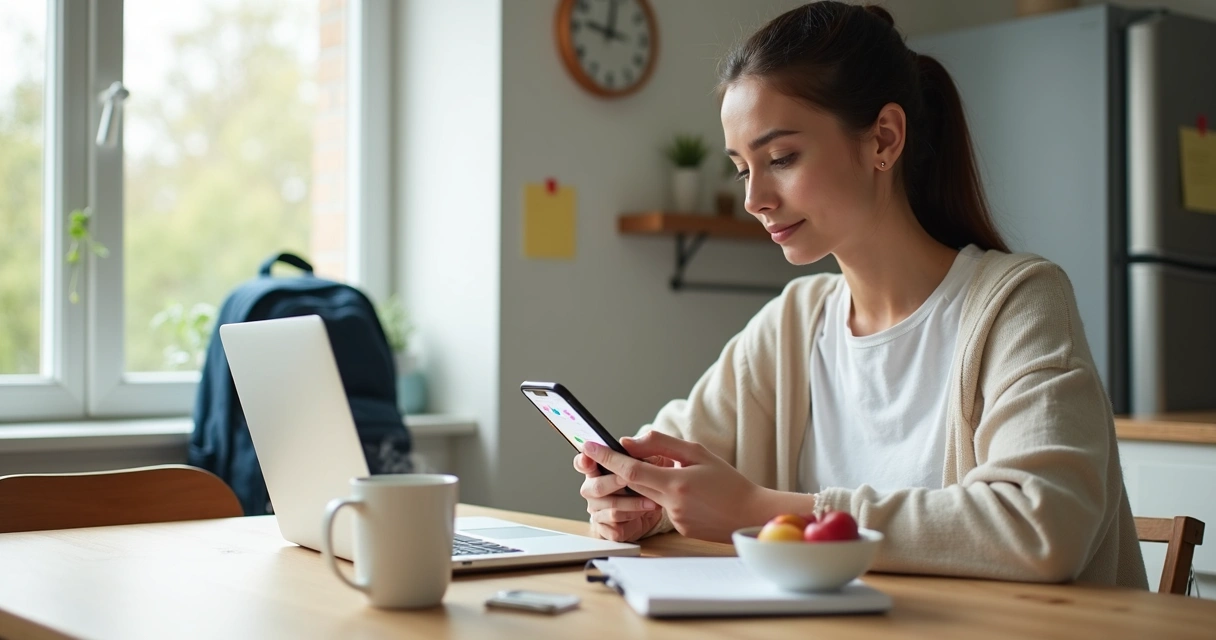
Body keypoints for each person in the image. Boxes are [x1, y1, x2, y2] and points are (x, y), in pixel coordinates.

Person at [574, 1, 1147, 588]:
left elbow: (1042, 525)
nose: (754, 199)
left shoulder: (1018, 303)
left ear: (884, 139)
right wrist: (642, 503)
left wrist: (760, 511)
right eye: (743, 169)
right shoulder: (792, 324)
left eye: (781, 158)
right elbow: (674, 462)